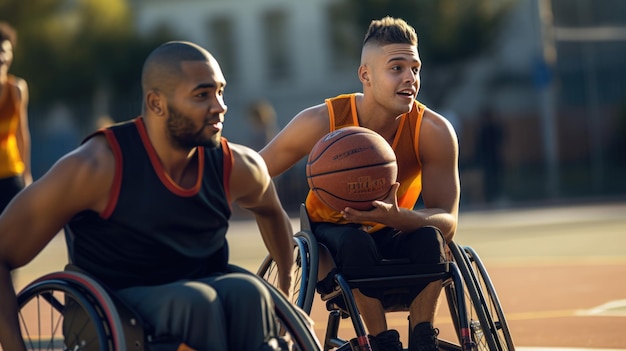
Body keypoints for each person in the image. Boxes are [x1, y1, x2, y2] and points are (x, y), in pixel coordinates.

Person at [0, 41, 295, 351]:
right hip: (115, 309)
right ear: (156, 103)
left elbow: (272, 211)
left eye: (220, 92)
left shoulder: (237, 166)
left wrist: (287, 289)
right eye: (202, 95)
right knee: (196, 302)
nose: (220, 106)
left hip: (198, 293)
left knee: (249, 292)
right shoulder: (96, 166)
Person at [260, 17, 460, 351]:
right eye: (396, 68)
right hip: (331, 240)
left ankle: (424, 337)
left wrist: (399, 219)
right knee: (355, 243)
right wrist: (273, 219)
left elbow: (449, 220)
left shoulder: (433, 131)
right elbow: (256, 170)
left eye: (415, 68)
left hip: (395, 229)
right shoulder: (323, 121)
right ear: (365, 75)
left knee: (431, 236)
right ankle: (382, 340)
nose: (410, 78)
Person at [0, 21, 31, 214]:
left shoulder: (17, 89)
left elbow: (22, 134)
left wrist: (27, 174)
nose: (1, 57)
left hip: (12, 174)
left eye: (5, 51)